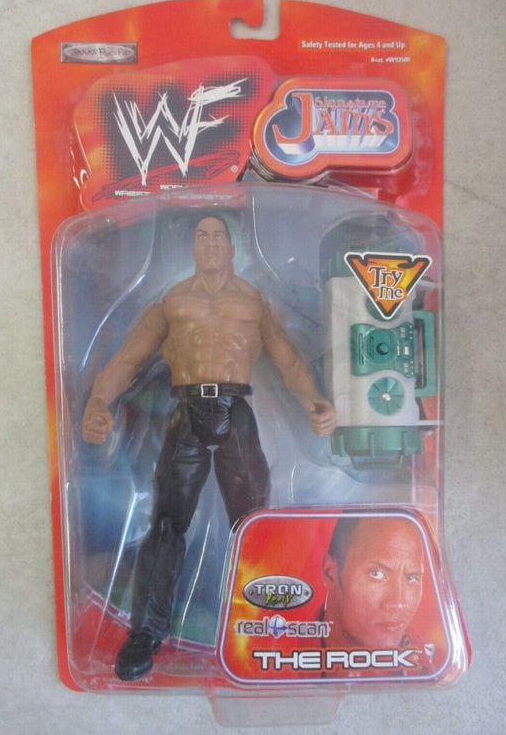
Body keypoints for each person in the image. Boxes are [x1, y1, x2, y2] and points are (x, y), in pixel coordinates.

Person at [83, 214, 337, 680]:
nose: (212, 243)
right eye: (203, 236)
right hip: (186, 411)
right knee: (166, 525)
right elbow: (129, 358)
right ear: (194, 247)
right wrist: (99, 401)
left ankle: (268, 624)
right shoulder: (172, 303)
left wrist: (312, 401)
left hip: (235, 409)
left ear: (233, 247)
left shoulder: (254, 303)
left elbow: (287, 358)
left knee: (254, 525)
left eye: (219, 235)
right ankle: (146, 633)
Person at [321, 516, 436, 675]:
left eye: (411, 578)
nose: (398, 603)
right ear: (330, 574)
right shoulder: (286, 650)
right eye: (376, 574)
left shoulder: (435, 666)